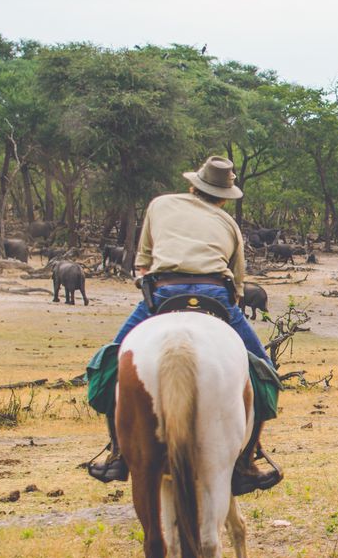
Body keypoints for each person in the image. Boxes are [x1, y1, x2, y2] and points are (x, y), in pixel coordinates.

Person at [87, 156, 282, 494]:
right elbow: (237, 285)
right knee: (265, 370)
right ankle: (248, 460)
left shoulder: (159, 205)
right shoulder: (229, 224)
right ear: (224, 195)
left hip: (164, 294)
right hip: (215, 296)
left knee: (109, 363)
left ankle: (117, 451)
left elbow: (143, 261)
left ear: (193, 184)